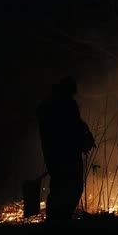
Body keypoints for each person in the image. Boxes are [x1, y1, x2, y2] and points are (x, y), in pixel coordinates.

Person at [36, 76, 95, 222]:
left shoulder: (47, 106)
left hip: (54, 155)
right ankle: (59, 221)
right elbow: (73, 129)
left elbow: (76, 126)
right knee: (71, 187)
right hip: (67, 155)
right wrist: (84, 140)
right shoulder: (64, 105)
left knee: (59, 187)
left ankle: (57, 221)